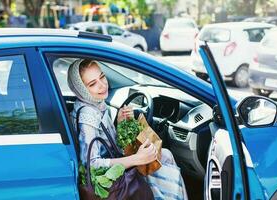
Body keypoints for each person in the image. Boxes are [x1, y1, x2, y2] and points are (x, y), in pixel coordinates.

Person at [68, 59, 188, 200]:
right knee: (162, 158)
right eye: (92, 84)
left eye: (102, 77)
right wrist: (137, 158)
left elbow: (107, 145)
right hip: (110, 182)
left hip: (113, 167)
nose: (102, 85)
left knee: (164, 155)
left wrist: (119, 123)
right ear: (81, 89)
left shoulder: (95, 104)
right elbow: (91, 165)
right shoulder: (88, 114)